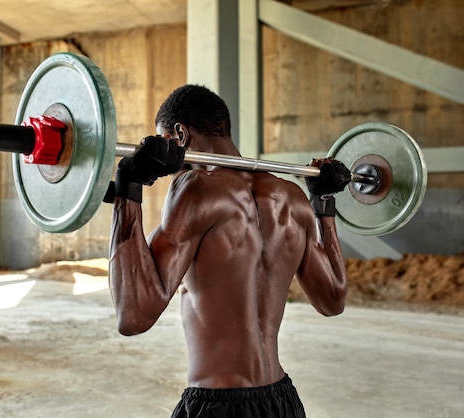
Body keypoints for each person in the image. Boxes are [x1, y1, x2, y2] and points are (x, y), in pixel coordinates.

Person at [106, 85, 351, 417]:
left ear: (179, 134)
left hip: (219, 405)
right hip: (282, 402)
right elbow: (333, 299)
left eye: (164, 139)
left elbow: (133, 315)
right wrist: (323, 203)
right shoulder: (293, 198)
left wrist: (128, 186)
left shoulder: (196, 190)